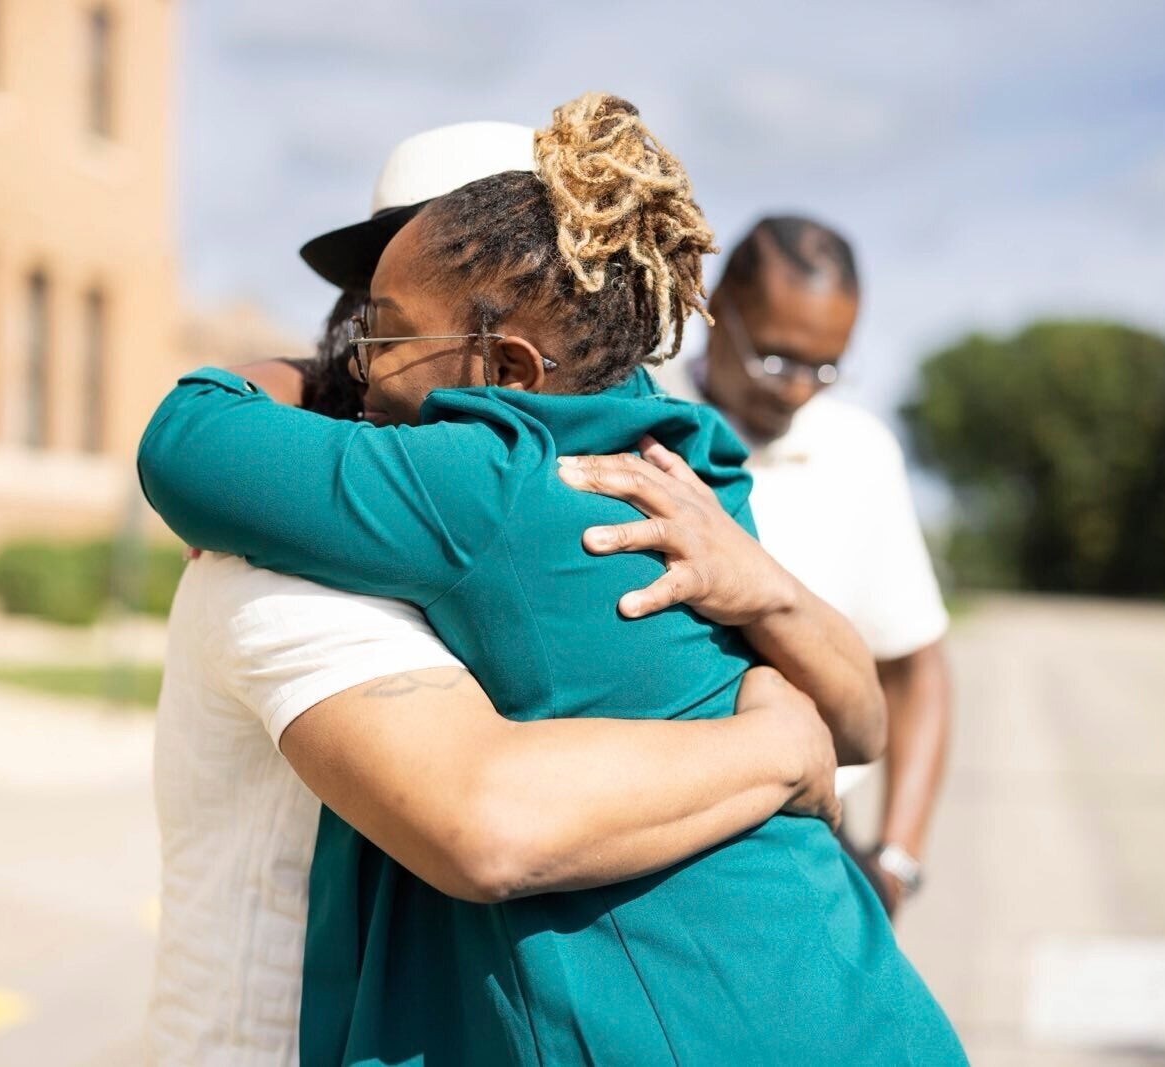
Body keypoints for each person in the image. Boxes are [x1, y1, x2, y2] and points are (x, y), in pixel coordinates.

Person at [141, 93, 964, 1064]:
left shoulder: (475, 482)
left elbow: (186, 437)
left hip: (702, 1019)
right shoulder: (693, 462)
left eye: (387, 330)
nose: (364, 363)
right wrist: (782, 739)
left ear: (512, 360)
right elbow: (858, 721)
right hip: (855, 994)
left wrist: (293, 387)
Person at [651, 215, 953, 917]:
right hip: (646, 831)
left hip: (809, 841)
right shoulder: (639, 405)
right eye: (777, 359)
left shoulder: (861, 452)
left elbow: (916, 666)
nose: (796, 391)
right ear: (715, 306)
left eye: (826, 368)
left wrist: (898, 860)